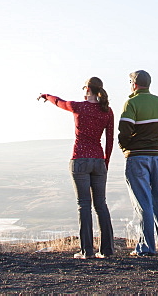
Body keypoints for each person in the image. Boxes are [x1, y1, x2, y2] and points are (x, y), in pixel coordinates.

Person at [38, 77, 115, 259]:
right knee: (101, 205)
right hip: (98, 161)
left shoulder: (79, 107)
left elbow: (59, 102)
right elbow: (110, 140)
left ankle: (86, 251)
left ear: (87, 89)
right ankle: (107, 250)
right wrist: (106, 162)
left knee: (84, 205)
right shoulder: (107, 111)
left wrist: (46, 95)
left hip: (80, 159)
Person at [118, 69, 158, 256]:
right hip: (156, 156)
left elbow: (124, 131)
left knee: (142, 201)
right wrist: (155, 141)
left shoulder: (131, 103)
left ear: (134, 84)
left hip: (137, 157)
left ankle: (146, 246)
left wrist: (126, 148)